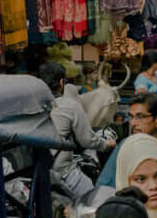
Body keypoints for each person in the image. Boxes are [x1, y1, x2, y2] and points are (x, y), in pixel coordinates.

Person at [43, 61, 116, 198]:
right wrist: (107, 145)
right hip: (61, 171)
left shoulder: (31, 104)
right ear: (61, 82)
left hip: (34, 170)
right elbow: (87, 140)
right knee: (94, 199)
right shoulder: (69, 106)